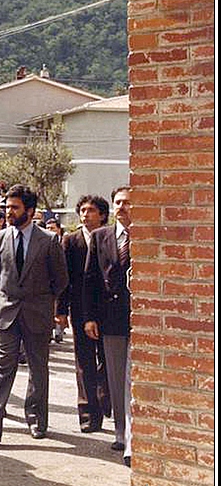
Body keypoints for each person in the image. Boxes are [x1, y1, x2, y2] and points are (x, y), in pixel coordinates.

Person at [0, 184, 68, 442]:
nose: (8, 212)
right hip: (6, 312)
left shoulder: (49, 241)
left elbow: (60, 280)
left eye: (14, 207)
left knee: (38, 368)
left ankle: (37, 420)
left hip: (37, 313)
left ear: (30, 210)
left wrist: (42, 299)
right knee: (1, 366)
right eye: (6, 207)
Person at [83, 187, 133, 466]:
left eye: (127, 203)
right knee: (115, 378)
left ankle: (133, 437)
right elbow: (89, 279)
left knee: (132, 379)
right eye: (118, 203)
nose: (122, 207)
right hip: (110, 319)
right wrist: (89, 317)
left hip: (138, 318)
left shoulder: (146, 235)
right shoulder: (101, 237)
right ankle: (120, 433)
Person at [56, 195, 111, 433]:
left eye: (91, 210)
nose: (86, 214)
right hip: (79, 309)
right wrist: (61, 310)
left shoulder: (110, 238)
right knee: (84, 362)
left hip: (107, 309)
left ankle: (105, 398)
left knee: (108, 361)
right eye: (83, 210)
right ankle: (87, 413)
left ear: (102, 215)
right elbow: (63, 278)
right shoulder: (71, 241)